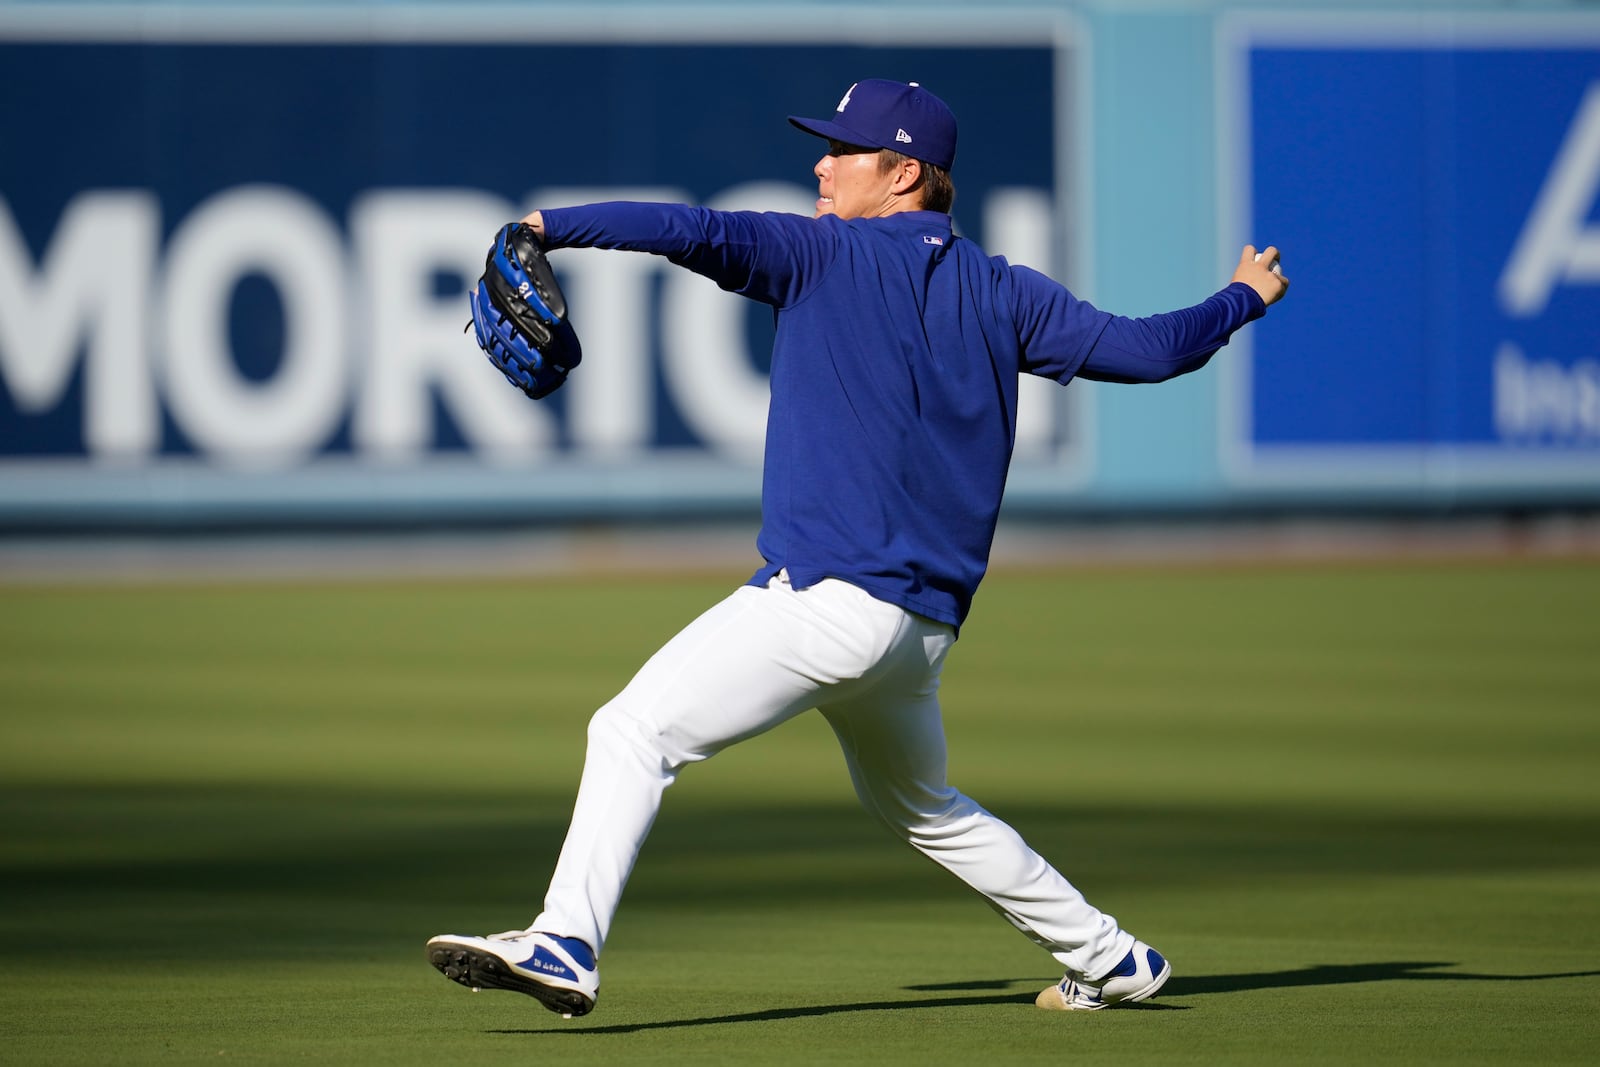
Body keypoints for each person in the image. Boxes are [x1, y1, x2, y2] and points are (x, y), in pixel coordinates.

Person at [426, 78, 1289, 1017]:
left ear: (905, 172)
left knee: (632, 730)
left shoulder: (818, 253)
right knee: (924, 807)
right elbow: (1152, 350)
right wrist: (1240, 296)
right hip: (918, 633)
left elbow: (686, 229)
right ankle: (1114, 957)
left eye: (844, 150)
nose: (822, 163)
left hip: (823, 605)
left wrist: (549, 223)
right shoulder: (1007, 293)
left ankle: (564, 941)